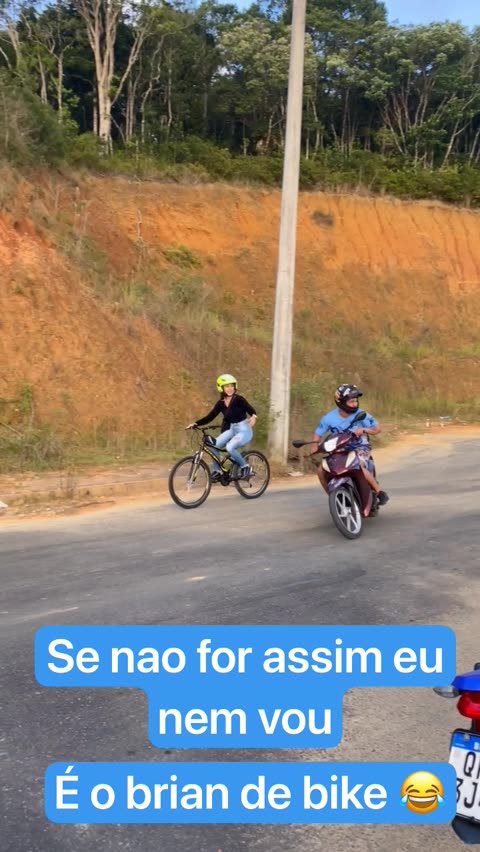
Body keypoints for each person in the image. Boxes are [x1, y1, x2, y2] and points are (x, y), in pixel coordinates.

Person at [311, 383, 389, 506]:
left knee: (358, 465)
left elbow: (377, 429)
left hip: (360, 447)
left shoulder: (361, 414)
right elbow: (318, 434)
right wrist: (315, 446)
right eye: (351, 401)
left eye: (356, 401)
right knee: (321, 470)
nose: (355, 404)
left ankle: (379, 492)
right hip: (338, 451)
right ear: (341, 402)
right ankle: (334, 496)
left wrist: (364, 430)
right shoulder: (328, 418)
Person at [186, 374, 257, 481]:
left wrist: (253, 417)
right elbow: (210, 417)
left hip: (244, 430)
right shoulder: (221, 403)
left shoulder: (239, 399)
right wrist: (196, 424)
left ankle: (245, 467)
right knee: (214, 445)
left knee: (230, 447)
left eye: (231, 386)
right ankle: (217, 471)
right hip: (232, 429)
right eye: (227, 386)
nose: (230, 388)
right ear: (221, 388)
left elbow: (251, 410)